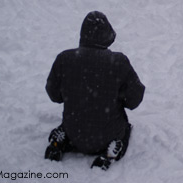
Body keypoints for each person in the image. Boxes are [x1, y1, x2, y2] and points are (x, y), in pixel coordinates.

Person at [44, 11, 145, 170]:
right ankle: (110, 151)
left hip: (74, 132)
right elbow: (135, 98)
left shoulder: (64, 59)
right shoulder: (118, 62)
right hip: (107, 134)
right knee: (124, 129)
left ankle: (59, 143)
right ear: (107, 34)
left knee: (68, 128)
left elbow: (54, 94)